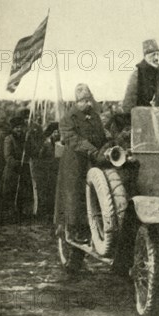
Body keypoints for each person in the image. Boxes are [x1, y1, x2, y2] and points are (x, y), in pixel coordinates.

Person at [55, 84, 110, 254]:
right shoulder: (67, 118)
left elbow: (101, 136)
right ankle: (73, 230)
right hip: (74, 164)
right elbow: (73, 140)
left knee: (94, 196)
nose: (88, 104)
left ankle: (96, 228)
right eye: (84, 101)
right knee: (74, 196)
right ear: (77, 101)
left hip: (92, 162)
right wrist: (94, 152)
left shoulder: (94, 117)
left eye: (89, 100)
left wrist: (107, 146)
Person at [122, 39, 159, 113]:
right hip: (143, 121)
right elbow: (128, 105)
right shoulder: (137, 75)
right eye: (153, 55)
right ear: (145, 56)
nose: (156, 58)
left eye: (158, 54)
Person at [2, 117, 33, 216]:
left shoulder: (25, 139)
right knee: (11, 192)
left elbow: (32, 151)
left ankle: (21, 212)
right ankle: (10, 212)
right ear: (13, 129)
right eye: (17, 128)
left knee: (22, 192)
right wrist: (19, 163)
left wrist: (29, 141)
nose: (19, 130)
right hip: (12, 172)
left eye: (21, 127)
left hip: (23, 171)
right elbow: (8, 157)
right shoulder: (9, 139)